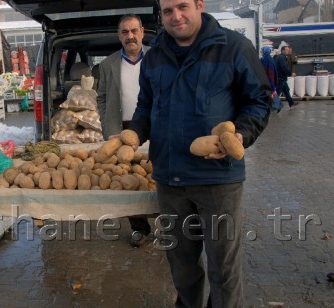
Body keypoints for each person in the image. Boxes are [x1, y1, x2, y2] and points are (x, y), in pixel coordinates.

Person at [130, 0, 271, 306]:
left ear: (199, 5)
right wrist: (134, 133)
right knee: (182, 266)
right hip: (169, 179)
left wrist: (240, 135)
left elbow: (259, 100)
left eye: (182, 7)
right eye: (167, 11)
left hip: (218, 181)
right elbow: (146, 105)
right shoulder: (154, 57)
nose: (175, 16)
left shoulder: (233, 47)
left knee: (224, 269)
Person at [96, 14, 152, 248]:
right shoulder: (108, 64)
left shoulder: (157, 57)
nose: (130, 36)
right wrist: (109, 128)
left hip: (153, 124)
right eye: (124, 32)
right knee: (129, 178)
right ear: (119, 35)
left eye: (133, 31)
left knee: (158, 174)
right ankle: (140, 228)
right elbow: (102, 98)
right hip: (123, 130)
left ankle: (171, 223)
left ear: (142, 31)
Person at [260, 46, 283, 113]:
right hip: (266, 79)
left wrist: (272, 85)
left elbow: (270, 73)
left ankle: (276, 106)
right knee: (269, 94)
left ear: (265, 51)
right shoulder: (265, 59)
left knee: (269, 93)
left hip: (268, 80)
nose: (261, 52)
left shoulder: (267, 60)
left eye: (262, 50)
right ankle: (277, 105)